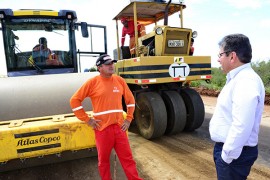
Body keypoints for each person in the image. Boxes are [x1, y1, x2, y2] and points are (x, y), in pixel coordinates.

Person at [70, 54, 142, 180]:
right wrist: (87, 119)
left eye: (112, 63)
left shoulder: (119, 80)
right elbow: (74, 101)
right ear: (99, 67)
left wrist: (129, 118)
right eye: (108, 64)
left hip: (120, 128)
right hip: (102, 130)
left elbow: (130, 100)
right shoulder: (92, 83)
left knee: (128, 160)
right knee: (103, 162)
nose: (111, 66)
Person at [209, 34, 265, 180]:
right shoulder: (239, 78)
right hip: (234, 153)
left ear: (232, 56)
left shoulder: (245, 81)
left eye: (220, 54)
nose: (218, 59)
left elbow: (242, 124)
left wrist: (226, 156)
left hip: (235, 156)